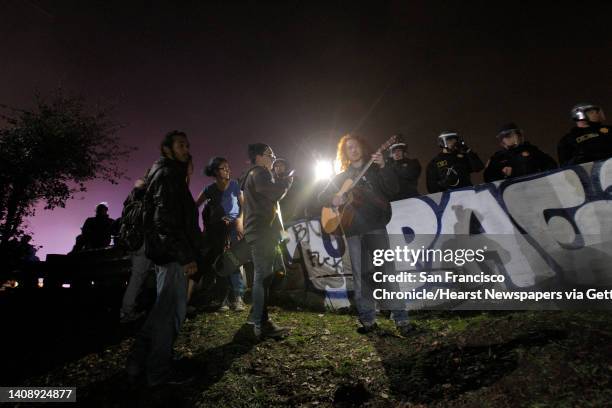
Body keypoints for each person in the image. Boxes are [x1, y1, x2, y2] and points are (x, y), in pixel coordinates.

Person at [127, 130, 202, 387]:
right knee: (170, 314)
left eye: (187, 144)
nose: (186, 148)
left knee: (161, 311)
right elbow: (165, 221)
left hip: (165, 253)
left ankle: (136, 363)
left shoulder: (163, 174)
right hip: (171, 255)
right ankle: (159, 372)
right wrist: (184, 256)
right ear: (167, 149)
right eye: (181, 144)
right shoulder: (169, 175)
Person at [318, 134, 413, 336]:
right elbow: (319, 197)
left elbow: (393, 189)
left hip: (375, 227)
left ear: (362, 148)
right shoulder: (341, 178)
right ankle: (368, 321)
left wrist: (385, 166)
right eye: (348, 148)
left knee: (387, 273)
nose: (353, 149)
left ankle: (401, 320)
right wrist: (334, 198)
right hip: (352, 232)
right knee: (361, 278)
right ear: (344, 154)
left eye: (356, 146)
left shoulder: (375, 170)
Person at [236, 143, 292, 342]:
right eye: (270, 154)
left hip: (261, 231)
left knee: (271, 274)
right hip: (261, 232)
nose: (273, 158)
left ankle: (258, 318)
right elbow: (273, 193)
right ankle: (259, 324)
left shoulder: (252, 175)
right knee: (263, 276)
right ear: (259, 156)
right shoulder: (260, 172)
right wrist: (286, 183)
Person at [195, 156, 246, 311]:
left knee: (234, 260)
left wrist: (239, 222)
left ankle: (237, 297)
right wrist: (202, 226)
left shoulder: (235, 185)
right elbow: (195, 206)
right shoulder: (209, 189)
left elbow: (243, 206)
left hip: (234, 226)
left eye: (228, 167)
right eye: (224, 168)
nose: (228, 170)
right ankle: (222, 298)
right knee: (220, 262)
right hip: (217, 229)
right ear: (215, 171)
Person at [119, 178, 153, 323]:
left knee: (137, 276)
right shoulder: (147, 201)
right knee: (137, 277)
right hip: (142, 243)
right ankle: (127, 312)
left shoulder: (130, 201)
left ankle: (131, 308)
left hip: (131, 242)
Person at [484, 123, 557, 182]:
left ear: (519, 136)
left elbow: (551, 166)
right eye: (507, 136)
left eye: (514, 135)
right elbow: (488, 178)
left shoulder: (532, 150)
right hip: (509, 193)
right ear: (502, 139)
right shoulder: (498, 157)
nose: (511, 138)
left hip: (535, 188)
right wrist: (503, 173)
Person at [272, 158, 303, 223]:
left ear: (285, 167)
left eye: (281, 165)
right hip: (277, 216)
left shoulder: (294, 179)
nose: (278, 167)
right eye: (276, 166)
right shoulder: (271, 182)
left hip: (293, 215)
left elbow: (300, 196)